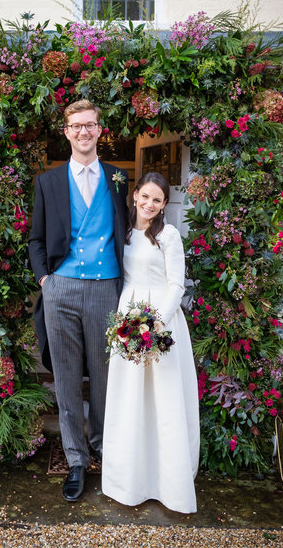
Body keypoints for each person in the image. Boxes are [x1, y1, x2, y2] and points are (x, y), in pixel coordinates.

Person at [29, 99, 129, 502]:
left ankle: (102, 447)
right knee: (67, 377)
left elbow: (132, 231)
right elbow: (36, 239)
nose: (83, 132)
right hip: (61, 289)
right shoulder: (48, 182)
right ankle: (75, 459)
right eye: (76, 126)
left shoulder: (119, 178)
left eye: (90, 125)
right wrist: (45, 280)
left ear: (99, 130)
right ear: (66, 132)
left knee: (106, 376)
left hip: (106, 287)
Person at [101, 171, 200, 514]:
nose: (149, 204)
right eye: (145, 196)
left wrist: (159, 321)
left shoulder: (169, 236)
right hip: (128, 316)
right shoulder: (124, 231)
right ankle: (128, 478)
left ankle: (168, 482)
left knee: (163, 399)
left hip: (162, 320)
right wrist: (130, 321)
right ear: (135, 196)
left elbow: (177, 283)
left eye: (157, 200)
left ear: (163, 205)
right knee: (130, 399)